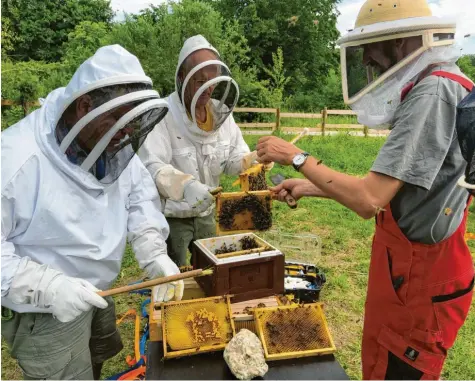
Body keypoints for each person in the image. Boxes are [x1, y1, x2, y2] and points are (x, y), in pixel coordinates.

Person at [256, 0, 474, 379]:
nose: (366, 63)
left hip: (420, 279)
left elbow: (368, 199)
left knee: (396, 367)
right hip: (410, 267)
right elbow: (392, 194)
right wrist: (309, 187)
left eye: (372, 47)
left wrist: (294, 156)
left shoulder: (433, 93)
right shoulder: (437, 84)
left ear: (403, 43)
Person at [1, 45, 184, 380]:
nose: (127, 132)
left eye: (133, 121)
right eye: (121, 120)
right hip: (43, 309)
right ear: (85, 106)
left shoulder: (107, 140)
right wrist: (48, 286)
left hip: (98, 290)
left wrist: (154, 253)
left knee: (97, 355)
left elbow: (139, 196)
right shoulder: (14, 160)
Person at [139, 35, 255, 267]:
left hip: (208, 214)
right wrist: (185, 186)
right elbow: (152, 167)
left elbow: (233, 160)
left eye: (212, 81)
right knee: (176, 279)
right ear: (182, 78)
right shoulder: (162, 115)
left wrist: (254, 159)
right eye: (200, 80)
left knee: (210, 272)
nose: (208, 87)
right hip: (173, 217)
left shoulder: (221, 114)